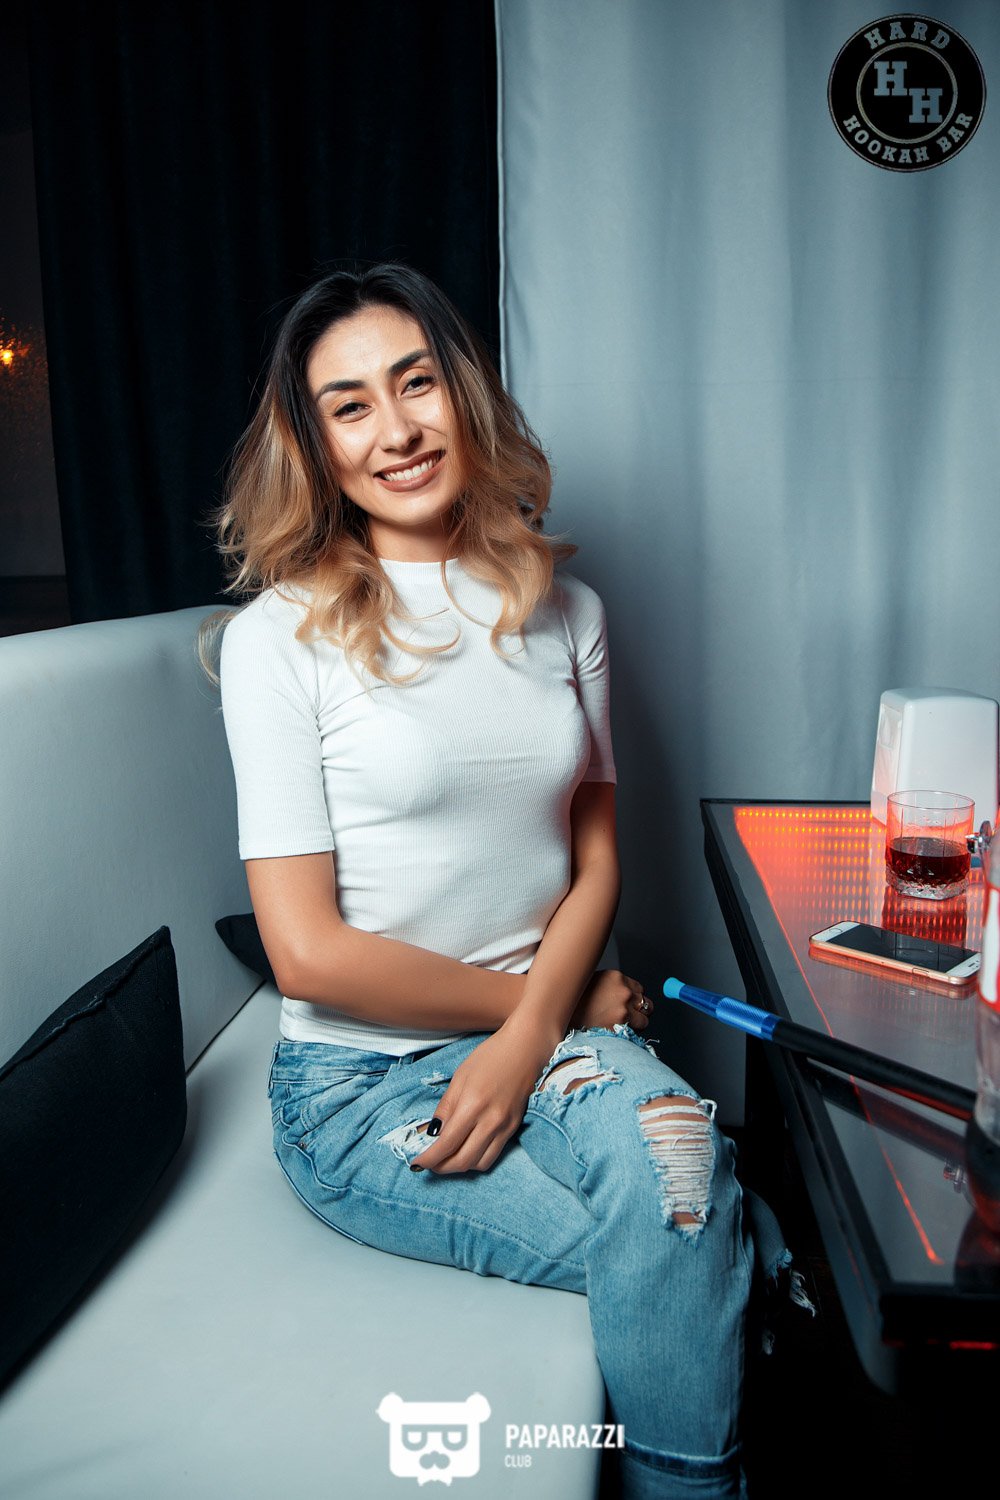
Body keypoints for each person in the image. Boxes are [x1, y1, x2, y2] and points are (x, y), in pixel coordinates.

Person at [200, 263, 790, 1499]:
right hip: (359, 1085)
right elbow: (306, 955)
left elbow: (596, 859)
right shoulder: (275, 641)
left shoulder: (566, 609)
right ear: (316, 446)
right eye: (349, 405)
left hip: (550, 1033)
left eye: (415, 383)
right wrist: (549, 1011)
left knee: (679, 1173)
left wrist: (534, 1032)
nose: (396, 429)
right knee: (699, 1230)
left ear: (462, 395)